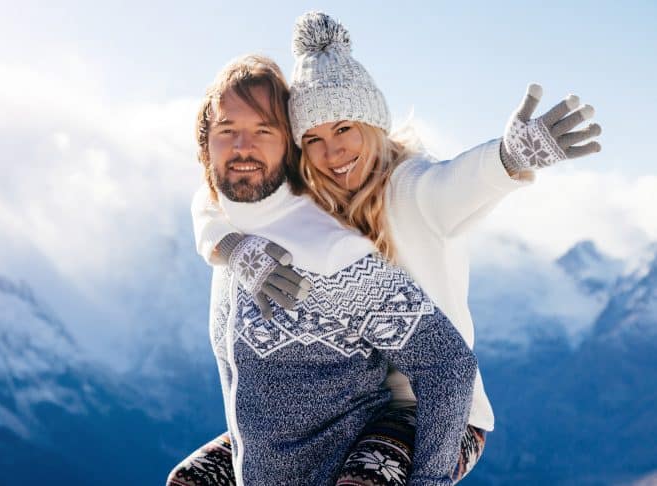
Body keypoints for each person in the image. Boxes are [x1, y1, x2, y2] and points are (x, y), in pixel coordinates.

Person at [174, 10, 602, 486]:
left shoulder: (412, 191)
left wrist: (506, 158)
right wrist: (230, 245)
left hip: (438, 409)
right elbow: (213, 199)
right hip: (361, 402)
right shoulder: (310, 196)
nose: (333, 152)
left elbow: (456, 185)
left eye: (344, 129)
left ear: (371, 124)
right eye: (313, 138)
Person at [168, 50, 479, 486]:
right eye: (227, 130)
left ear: (289, 144)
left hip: (353, 462)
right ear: (205, 143)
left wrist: (429, 480)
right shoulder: (228, 226)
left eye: (264, 130)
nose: (243, 147)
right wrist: (231, 247)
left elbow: (448, 365)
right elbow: (208, 199)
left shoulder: (331, 253)